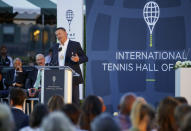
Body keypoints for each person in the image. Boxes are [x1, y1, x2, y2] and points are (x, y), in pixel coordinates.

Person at [50, 27, 88, 105]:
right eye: (56, 35)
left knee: (74, 101)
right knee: (60, 101)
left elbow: (85, 58)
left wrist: (78, 59)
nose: (58, 36)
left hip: (72, 78)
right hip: (58, 78)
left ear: (65, 33)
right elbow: (52, 62)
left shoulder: (75, 44)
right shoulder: (55, 47)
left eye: (59, 33)